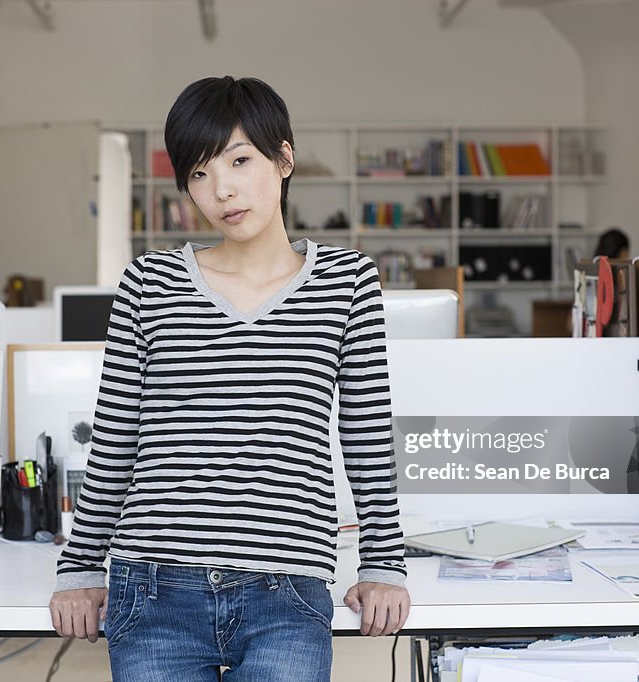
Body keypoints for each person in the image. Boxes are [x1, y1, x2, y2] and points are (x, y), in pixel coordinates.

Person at [48, 75, 410, 681]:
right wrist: (81, 569)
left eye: (240, 160)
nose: (221, 190)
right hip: (155, 588)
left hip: (287, 592)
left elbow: (367, 435)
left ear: (284, 158)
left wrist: (382, 564)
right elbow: (115, 438)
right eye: (198, 173)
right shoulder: (148, 284)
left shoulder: (347, 282)